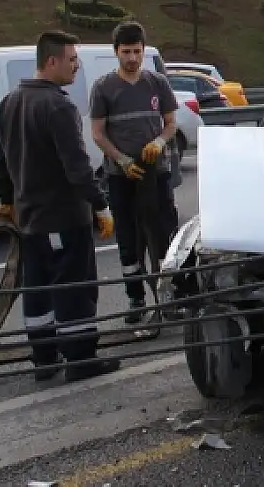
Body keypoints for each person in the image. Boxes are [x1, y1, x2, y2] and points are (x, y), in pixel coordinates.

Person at [0, 30, 121, 382]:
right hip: (63, 217)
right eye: (72, 59)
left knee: (38, 290)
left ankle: (44, 359)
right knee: (73, 288)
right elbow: (77, 169)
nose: (76, 67)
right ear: (52, 61)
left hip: (30, 220)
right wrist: (101, 206)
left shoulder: (9, 103)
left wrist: (6, 199)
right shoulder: (58, 106)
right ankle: (80, 359)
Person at [90, 22, 180, 322]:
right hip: (121, 176)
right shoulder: (104, 87)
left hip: (157, 173)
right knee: (129, 239)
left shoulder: (157, 83)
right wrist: (121, 160)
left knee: (164, 234)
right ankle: (136, 299)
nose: (132, 58)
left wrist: (158, 141)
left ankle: (169, 296)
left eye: (137, 52)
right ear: (116, 52)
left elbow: (170, 124)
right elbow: (98, 133)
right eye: (126, 52)